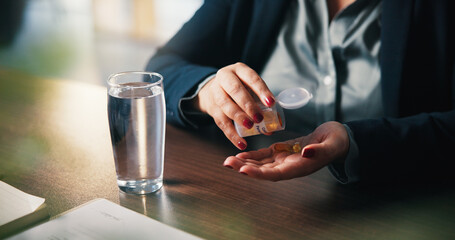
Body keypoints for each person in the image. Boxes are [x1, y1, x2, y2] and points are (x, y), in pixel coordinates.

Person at [146, 0, 455, 184]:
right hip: (255, 198)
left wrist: (356, 142)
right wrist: (207, 89)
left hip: (391, 201)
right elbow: (163, 67)